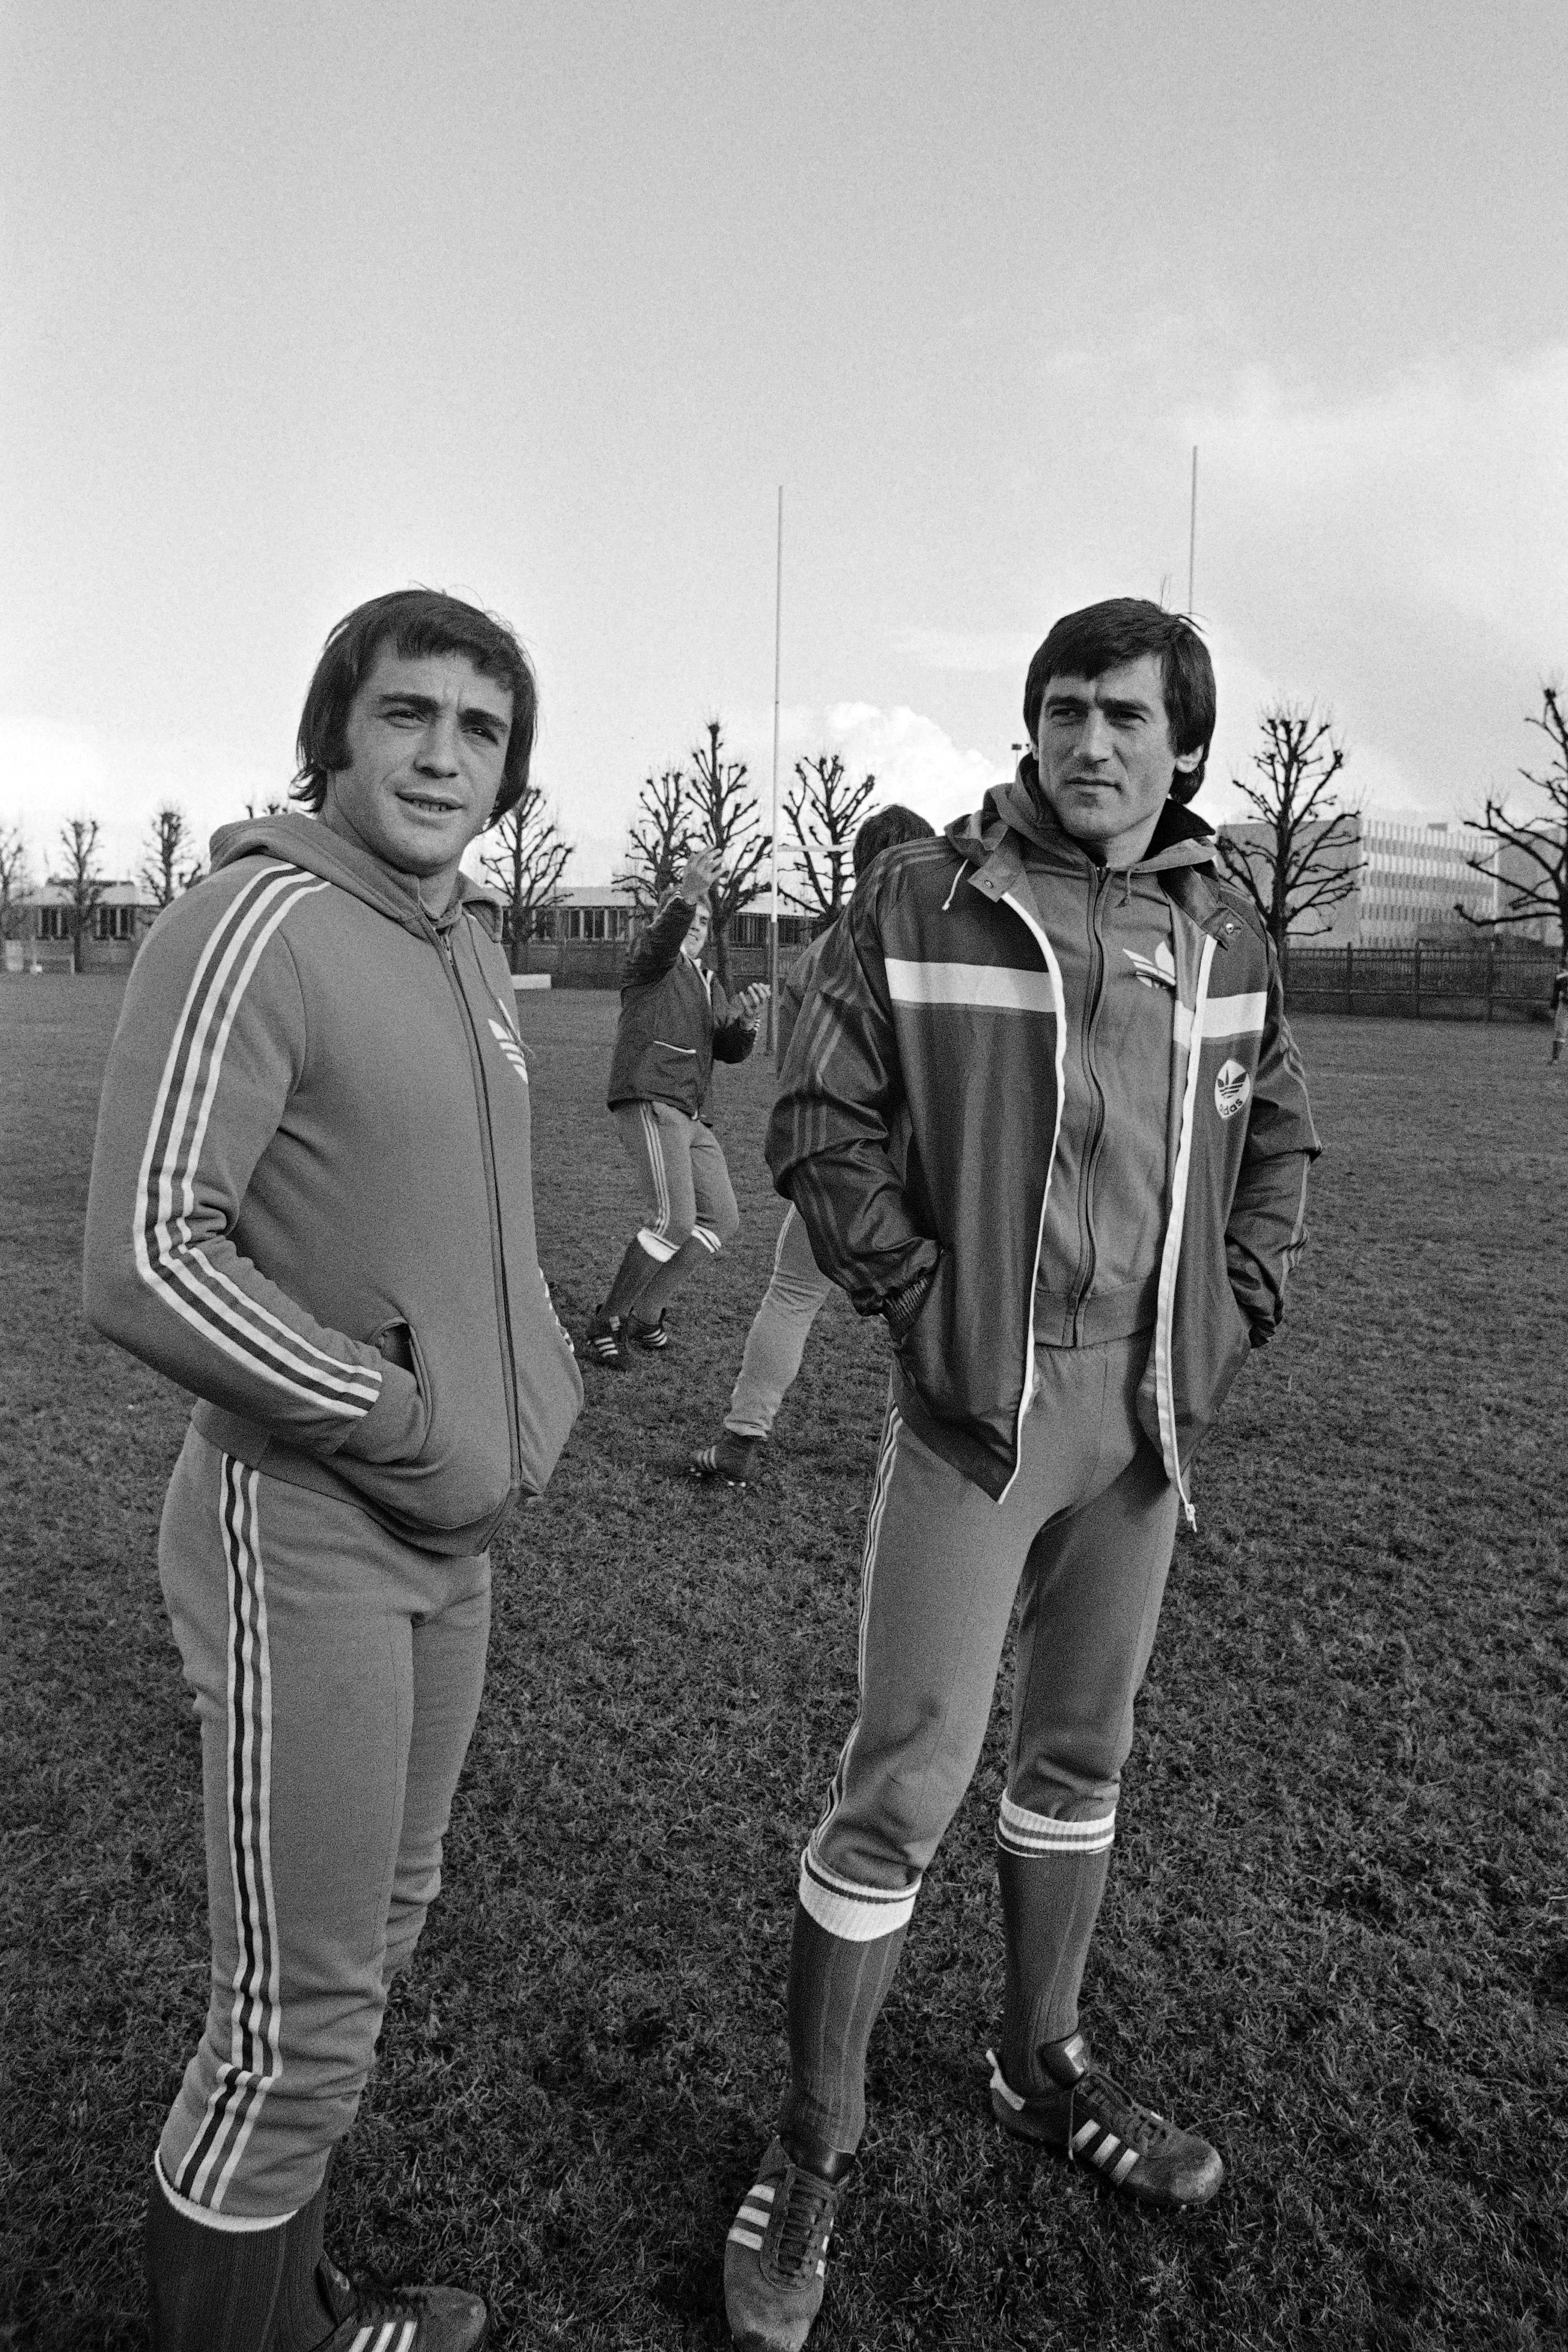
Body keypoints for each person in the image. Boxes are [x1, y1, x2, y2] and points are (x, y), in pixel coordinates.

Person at [722, 598, 1321, 2352]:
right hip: (977, 1419)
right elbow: (819, 1126)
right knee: (904, 1779)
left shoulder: (1227, 924)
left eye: (1126, 716)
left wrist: (1245, 1294)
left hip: (1140, 1424)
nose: (1089, 741)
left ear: (1184, 744)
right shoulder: (922, 903)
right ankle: (815, 2144)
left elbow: (1279, 1123)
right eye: (1063, 710)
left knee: (1080, 1758)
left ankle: (1037, 2061)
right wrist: (925, 1307)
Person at [83, 589, 583, 2352]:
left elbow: (471, 1224)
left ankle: (283, 2311)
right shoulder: (256, 920)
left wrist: (533, 1384)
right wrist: (394, 1416)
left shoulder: (462, 944)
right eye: (409, 714)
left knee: (376, 1939)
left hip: (457, 1542)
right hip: (304, 1526)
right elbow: (146, 1252)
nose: (445, 752)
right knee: (292, 2022)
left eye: (482, 727)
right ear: (337, 731)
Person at [688, 805, 935, 1487]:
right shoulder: (945, 954)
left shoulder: (820, 954)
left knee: (793, 1294)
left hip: (841, 1164)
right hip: (927, 1163)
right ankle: (942, 1454)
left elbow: (796, 1072)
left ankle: (741, 1439)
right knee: (935, 1306)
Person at [582, 846, 769, 1366]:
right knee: (673, 1220)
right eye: (691, 916)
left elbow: (727, 1051)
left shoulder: (708, 981)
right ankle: (608, 1319)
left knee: (722, 1220)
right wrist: (686, 896)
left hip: (692, 1112)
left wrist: (746, 1023)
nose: (697, 926)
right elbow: (665, 936)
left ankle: (647, 1317)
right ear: (670, 914)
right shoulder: (651, 958)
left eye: (706, 921)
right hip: (650, 1096)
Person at [1550, 959, 1568, 1062]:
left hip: (1565, 1005)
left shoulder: (1561, 977)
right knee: (1560, 1031)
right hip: (1565, 1006)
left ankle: (1555, 1059)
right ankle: (1555, 1059)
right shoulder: (1562, 977)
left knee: (1561, 1032)